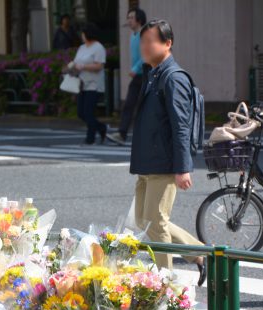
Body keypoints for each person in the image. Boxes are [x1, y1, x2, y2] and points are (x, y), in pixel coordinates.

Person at [130, 19, 206, 284]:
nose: (145, 46)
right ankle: (198, 253)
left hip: (163, 162)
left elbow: (181, 125)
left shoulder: (173, 77)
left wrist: (182, 167)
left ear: (168, 43)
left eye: (151, 41)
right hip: (148, 161)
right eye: (143, 41)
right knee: (144, 220)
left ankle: (165, 281)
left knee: (156, 220)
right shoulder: (153, 74)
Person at [109, 7, 147, 145]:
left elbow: (147, 54)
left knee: (146, 107)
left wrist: (135, 68)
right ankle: (121, 134)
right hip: (138, 76)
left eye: (131, 17)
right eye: (128, 17)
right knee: (129, 105)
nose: (128, 20)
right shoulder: (133, 35)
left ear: (139, 19)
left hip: (148, 75)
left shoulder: (145, 34)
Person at [70, 23, 110, 146]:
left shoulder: (98, 47)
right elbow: (76, 62)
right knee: (81, 113)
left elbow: (99, 65)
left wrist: (84, 66)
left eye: (83, 33)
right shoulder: (82, 48)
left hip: (94, 84)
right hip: (82, 84)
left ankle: (90, 138)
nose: (81, 35)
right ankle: (102, 128)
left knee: (88, 112)